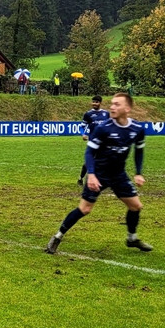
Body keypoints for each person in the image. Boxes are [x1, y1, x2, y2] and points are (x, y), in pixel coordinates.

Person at [45, 92, 152, 255]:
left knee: (136, 206)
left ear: (128, 108)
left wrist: (138, 173)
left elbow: (139, 150)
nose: (112, 106)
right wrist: (92, 175)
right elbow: (89, 153)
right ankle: (57, 237)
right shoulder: (104, 128)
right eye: (112, 103)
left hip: (119, 175)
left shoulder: (137, 129)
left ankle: (132, 238)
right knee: (85, 209)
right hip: (99, 174)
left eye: (117, 104)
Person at [77, 95, 111, 185]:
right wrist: (83, 134)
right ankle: (81, 178)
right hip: (93, 141)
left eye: (96, 102)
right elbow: (82, 126)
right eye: (93, 102)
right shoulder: (88, 114)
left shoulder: (106, 114)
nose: (94, 104)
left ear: (100, 103)